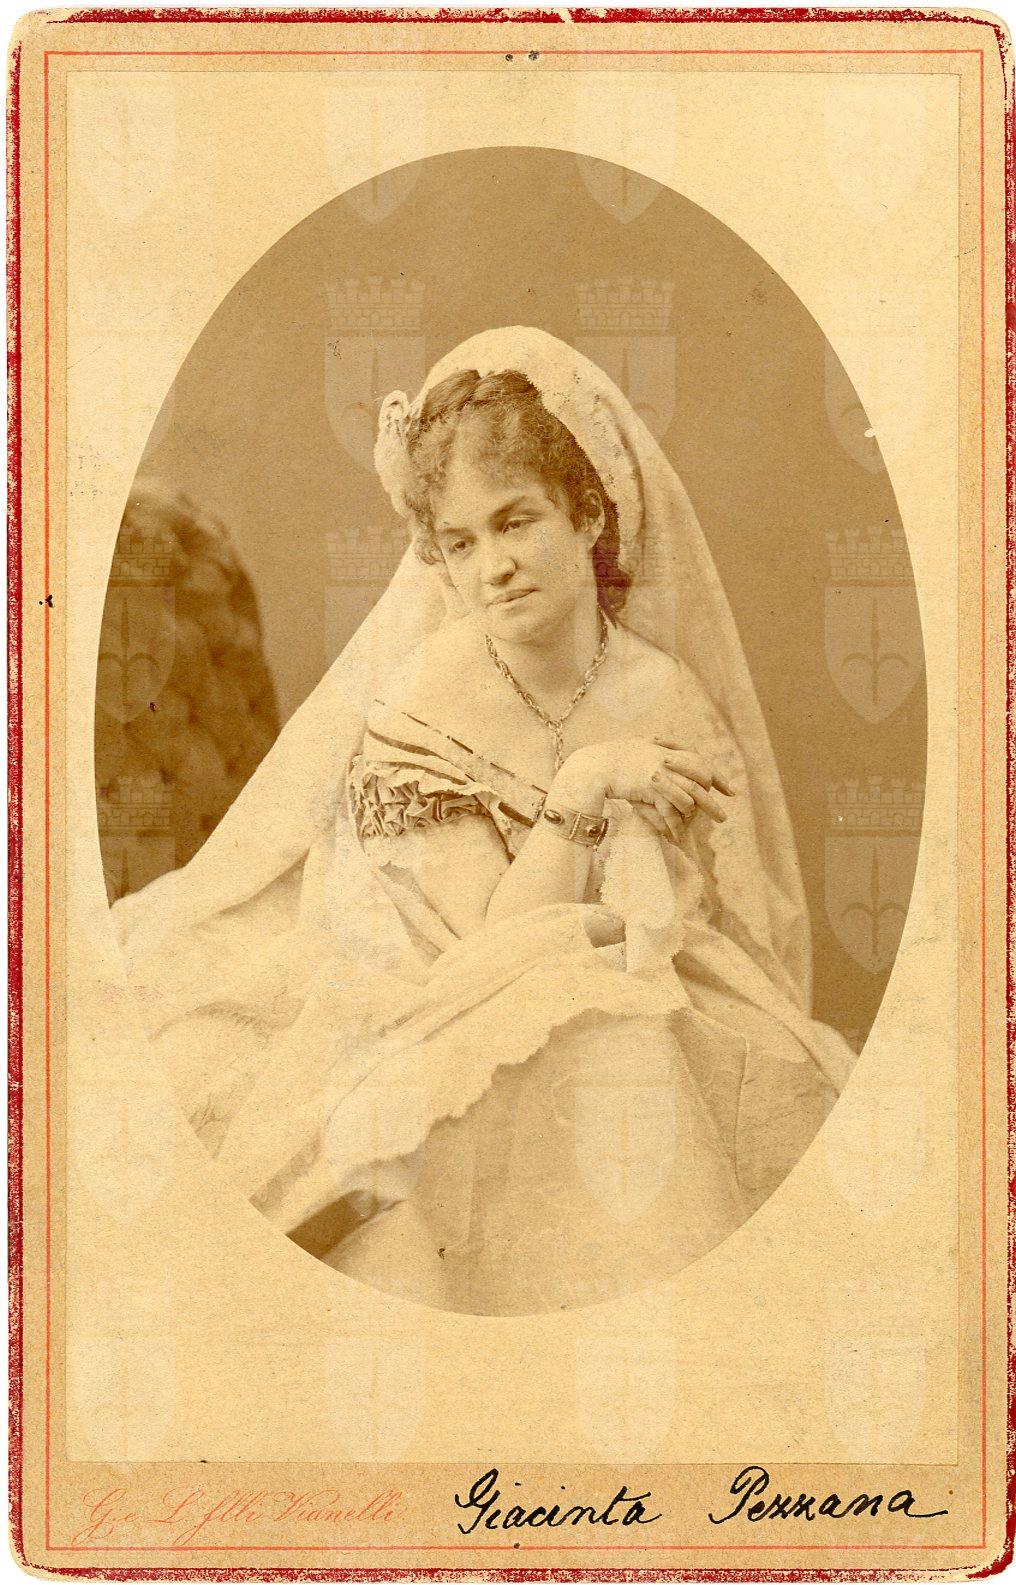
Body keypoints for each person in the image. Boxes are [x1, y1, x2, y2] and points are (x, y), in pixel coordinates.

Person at [110, 327, 855, 1316]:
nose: (492, 566)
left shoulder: (665, 693)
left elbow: (724, 929)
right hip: (425, 1006)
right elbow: (487, 961)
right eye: (459, 543)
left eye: (515, 522)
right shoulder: (430, 692)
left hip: (629, 1008)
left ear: (587, 511)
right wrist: (584, 787)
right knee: (602, 1044)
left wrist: (651, 919)